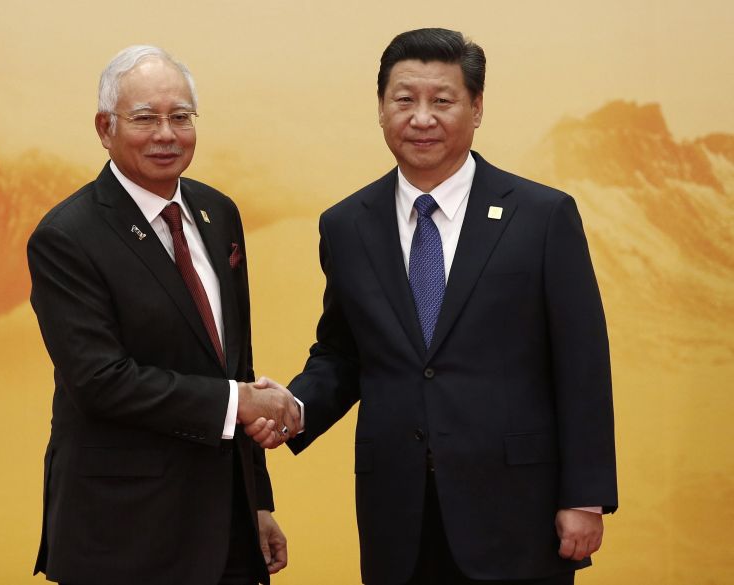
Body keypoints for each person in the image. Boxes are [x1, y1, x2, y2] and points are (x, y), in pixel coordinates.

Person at [248, 28, 617, 585]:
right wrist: (296, 406)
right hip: (398, 514)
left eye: (442, 100)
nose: (421, 118)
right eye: (404, 100)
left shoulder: (542, 216)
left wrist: (585, 497)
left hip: (518, 510)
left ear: (477, 108)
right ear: (381, 108)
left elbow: (581, 362)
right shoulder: (346, 225)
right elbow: (344, 352)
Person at [27, 45, 299, 585]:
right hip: (125, 533)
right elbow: (101, 382)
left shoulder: (218, 213)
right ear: (105, 128)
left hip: (227, 529)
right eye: (145, 118)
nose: (166, 134)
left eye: (181, 117)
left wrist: (258, 502)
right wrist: (238, 402)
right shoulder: (66, 236)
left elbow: (236, 365)